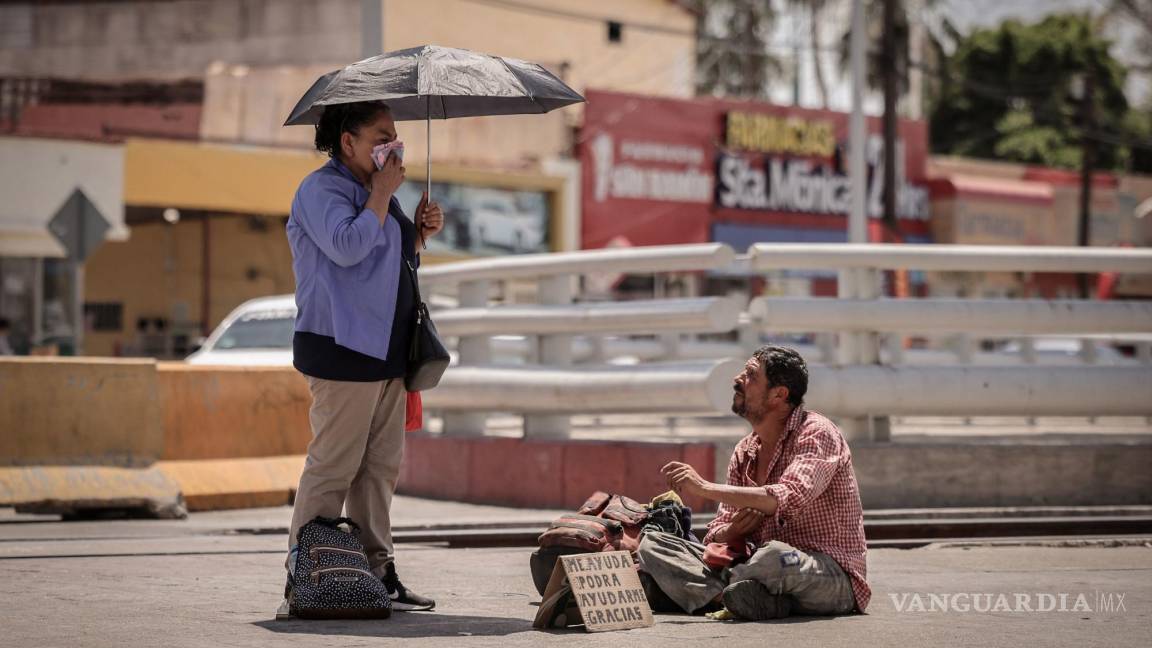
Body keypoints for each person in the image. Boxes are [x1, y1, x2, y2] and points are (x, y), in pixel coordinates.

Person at [283, 100, 443, 612]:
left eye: (394, 136)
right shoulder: (320, 190)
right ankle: (307, 573)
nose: (391, 146)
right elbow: (347, 247)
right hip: (341, 349)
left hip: (387, 350)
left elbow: (383, 260)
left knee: (379, 469)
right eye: (381, 136)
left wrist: (416, 233)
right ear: (346, 141)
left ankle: (376, 571)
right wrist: (381, 196)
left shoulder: (380, 193)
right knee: (333, 466)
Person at [637, 345, 869, 620]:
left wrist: (703, 488)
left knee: (775, 557)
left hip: (823, 573)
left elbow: (787, 497)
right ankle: (740, 598)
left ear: (778, 395)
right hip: (750, 567)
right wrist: (732, 531)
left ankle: (707, 594)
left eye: (750, 375)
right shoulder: (744, 450)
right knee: (654, 544)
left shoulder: (818, 432)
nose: (737, 380)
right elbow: (716, 534)